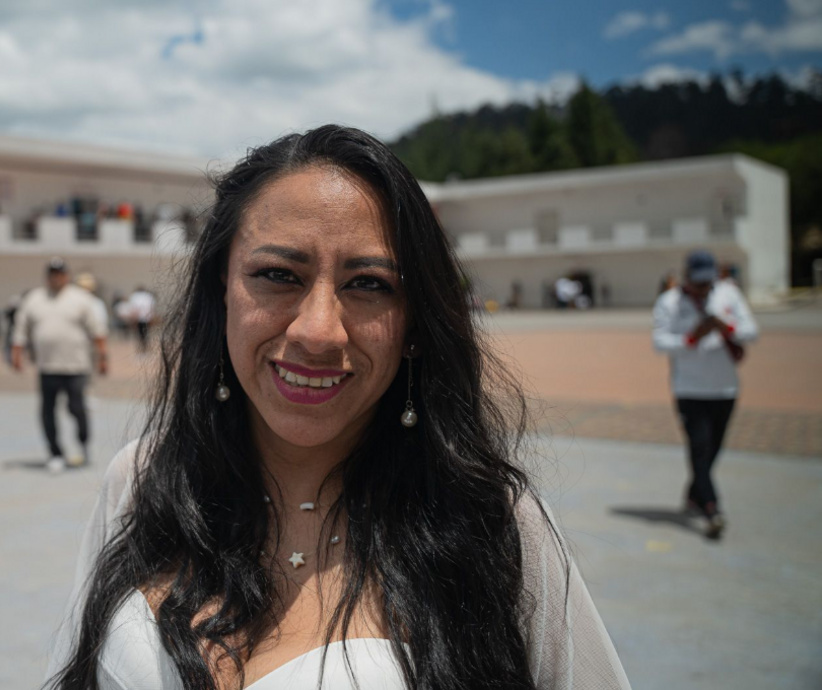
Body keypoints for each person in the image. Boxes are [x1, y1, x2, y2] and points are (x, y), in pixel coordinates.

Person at [45, 126, 630, 690]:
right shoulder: (142, 479)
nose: (318, 332)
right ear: (221, 287)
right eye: (277, 274)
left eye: (369, 284)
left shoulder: (491, 520)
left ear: (416, 323)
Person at [653, 249, 758, 540]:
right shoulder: (670, 302)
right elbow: (659, 342)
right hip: (689, 388)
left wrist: (728, 327)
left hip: (725, 388)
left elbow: (751, 332)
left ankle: (694, 494)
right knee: (699, 447)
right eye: (698, 282)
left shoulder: (728, 295)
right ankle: (712, 509)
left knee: (712, 450)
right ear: (686, 276)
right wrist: (691, 338)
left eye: (708, 282)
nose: (704, 288)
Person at [12, 257, 109, 474]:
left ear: (67, 275)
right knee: (47, 410)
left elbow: (98, 330)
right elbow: (21, 327)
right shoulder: (35, 299)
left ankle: (83, 443)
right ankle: (55, 453)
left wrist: (103, 356)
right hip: (48, 367)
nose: (56, 278)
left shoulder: (80, 299)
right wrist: (16, 352)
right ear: (47, 276)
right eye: (52, 274)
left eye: (60, 273)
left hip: (76, 366)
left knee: (76, 407)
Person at [127, 285, 156, 352]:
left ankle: (142, 347)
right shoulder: (149, 296)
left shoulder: (134, 296)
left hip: (138, 318)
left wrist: (133, 319)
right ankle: (145, 346)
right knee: (146, 333)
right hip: (147, 318)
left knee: (140, 333)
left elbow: (133, 308)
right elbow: (152, 308)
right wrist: (152, 317)